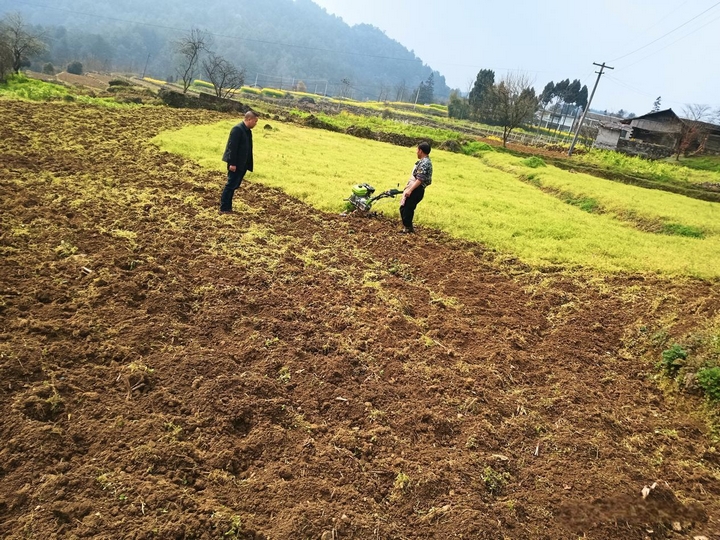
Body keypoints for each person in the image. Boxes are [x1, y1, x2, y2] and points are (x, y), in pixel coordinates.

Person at [219, 110, 259, 214]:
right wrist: (232, 163)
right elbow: (232, 147)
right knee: (230, 185)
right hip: (235, 164)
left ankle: (228, 207)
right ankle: (224, 208)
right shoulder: (237, 129)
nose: (256, 124)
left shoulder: (247, 131)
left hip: (242, 164)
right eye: (255, 121)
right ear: (249, 119)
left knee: (234, 186)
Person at [399, 141, 432, 234]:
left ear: (420, 151)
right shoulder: (424, 161)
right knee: (405, 208)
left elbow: (420, 179)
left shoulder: (425, 163)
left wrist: (410, 189)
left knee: (407, 209)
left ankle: (408, 229)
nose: (416, 152)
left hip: (417, 189)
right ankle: (408, 227)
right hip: (415, 188)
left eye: (417, 150)